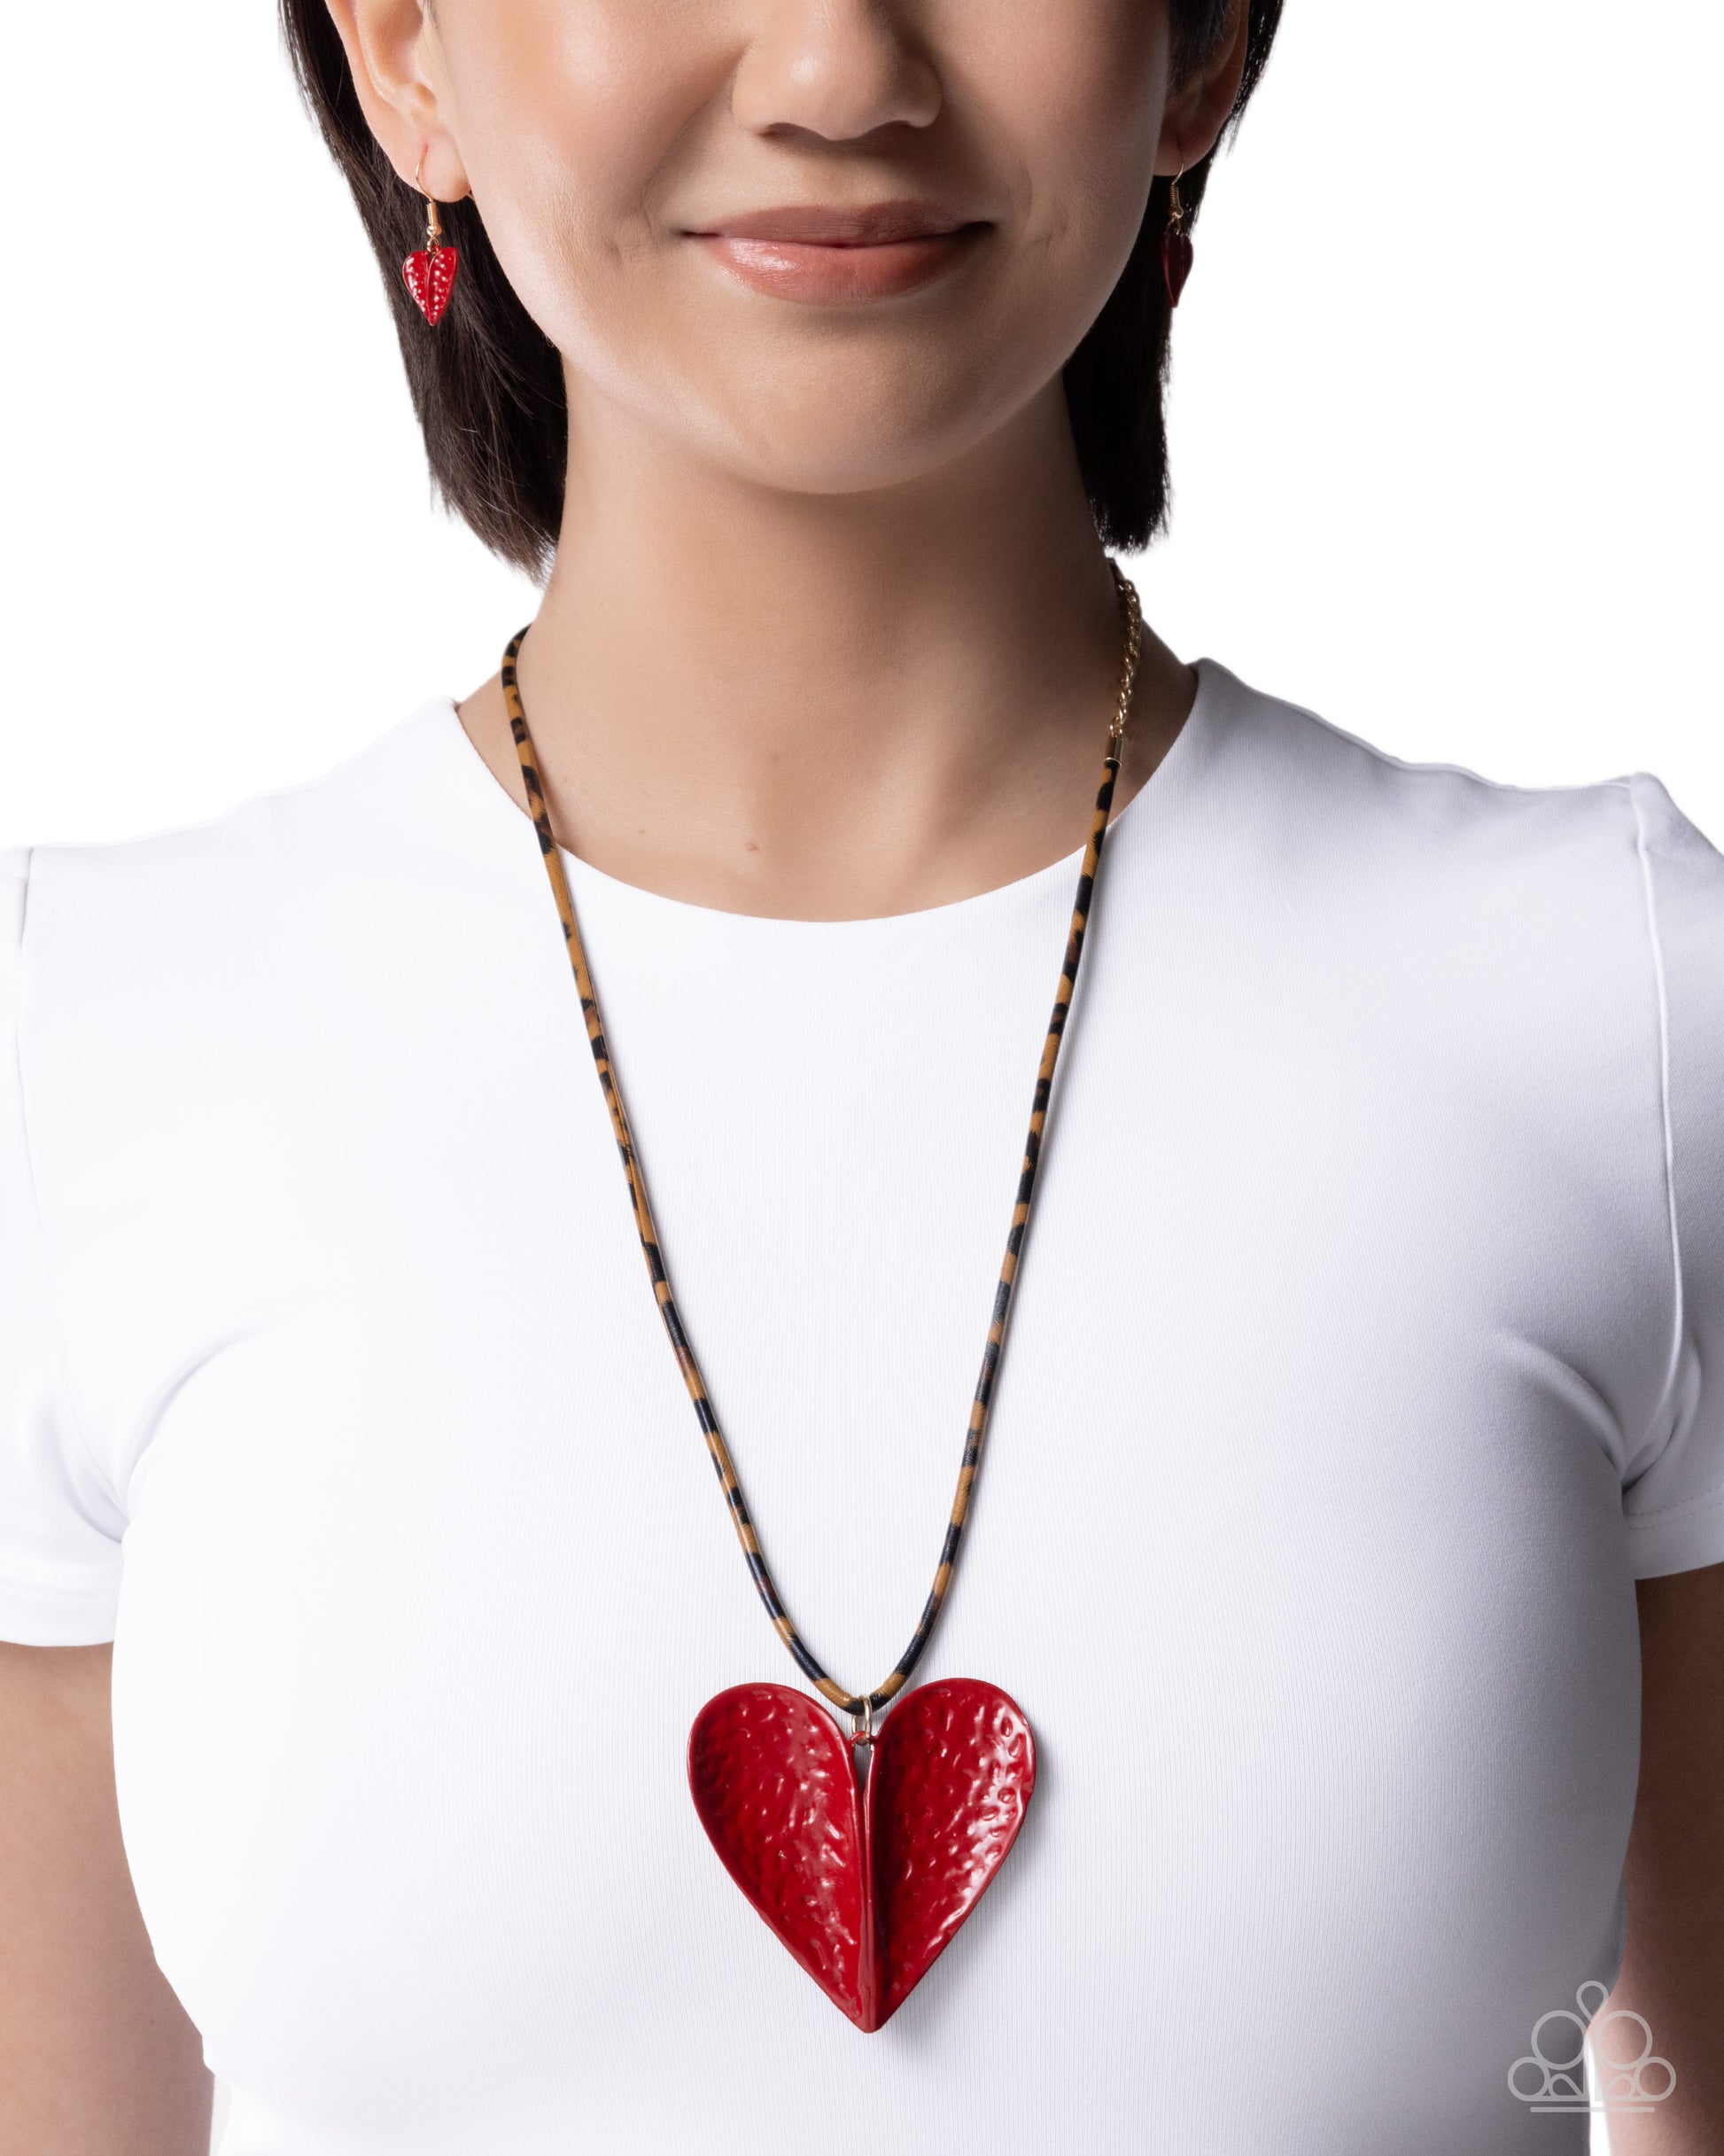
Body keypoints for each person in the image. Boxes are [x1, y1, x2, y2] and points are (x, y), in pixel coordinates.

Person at [2, 0, 1720, 2149]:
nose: (837, 71)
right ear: (403, 49)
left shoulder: (1623, 1005)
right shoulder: (91, 1042)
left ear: (1197, 50)